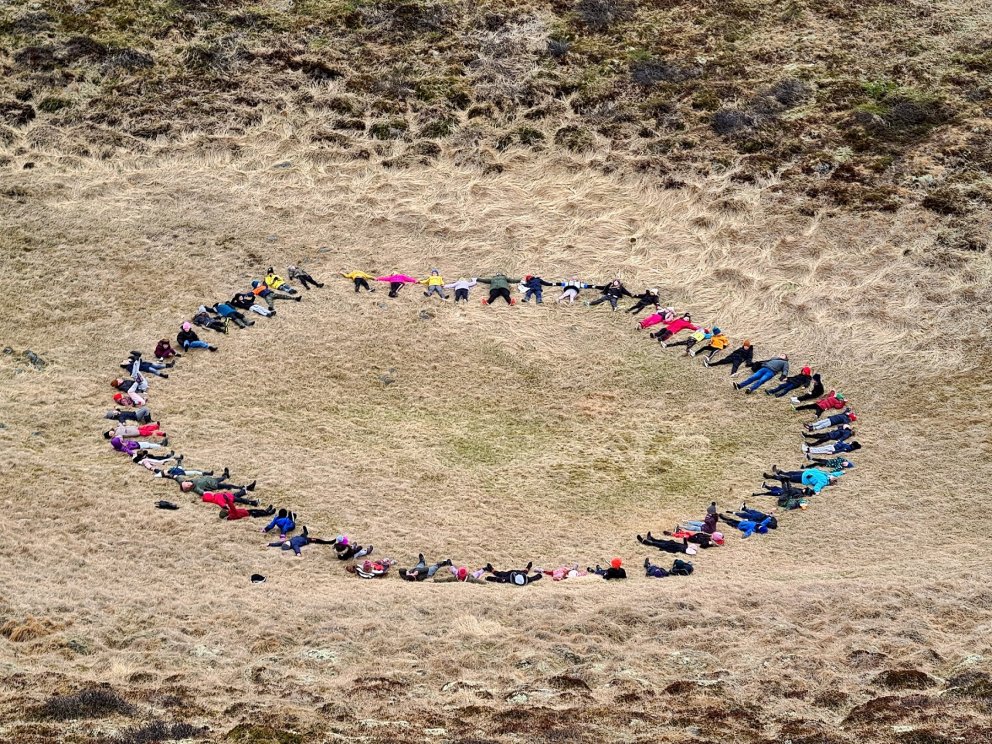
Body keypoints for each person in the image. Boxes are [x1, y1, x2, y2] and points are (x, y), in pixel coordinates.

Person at [764, 466, 837, 493]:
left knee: (788, 477)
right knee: (790, 473)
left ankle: (771, 476)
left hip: (803, 478)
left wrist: (817, 491)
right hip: (804, 472)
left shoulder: (824, 481)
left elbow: (818, 486)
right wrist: (842, 472)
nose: (833, 476)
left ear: (831, 481)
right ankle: (778, 472)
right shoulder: (827, 475)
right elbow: (836, 474)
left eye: (833, 478)